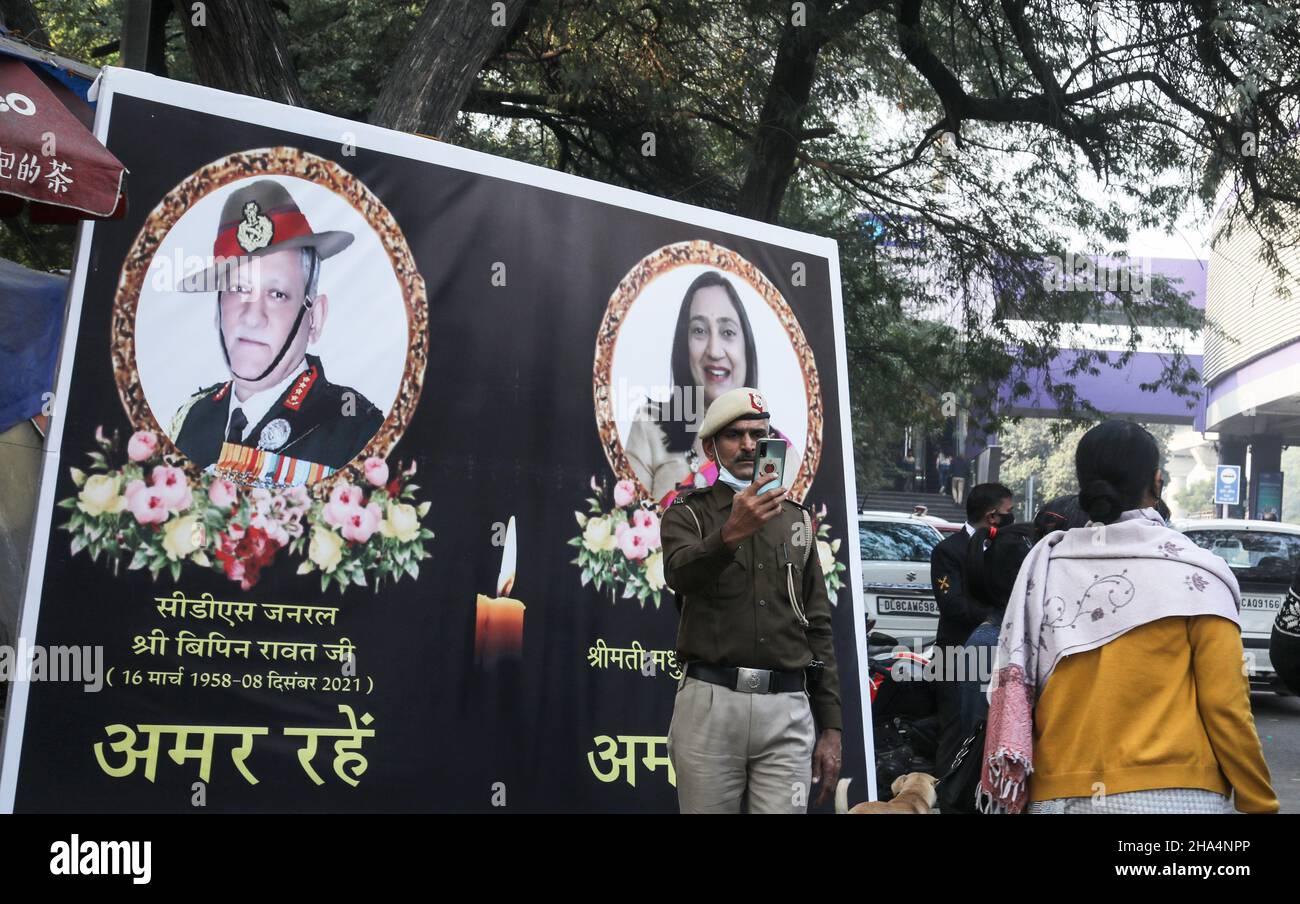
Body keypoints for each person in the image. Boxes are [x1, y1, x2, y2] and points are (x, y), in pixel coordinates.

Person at [980, 419, 1278, 814]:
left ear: (1083, 484)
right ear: (1156, 483)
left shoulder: (1046, 569)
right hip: (1175, 795)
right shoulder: (1196, 575)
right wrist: (1259, 802)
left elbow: (1021, 694)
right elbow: (1225, 706)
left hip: (1058, 796)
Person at [661, 387, 840, 813]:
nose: (747, 445)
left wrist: (831, 725)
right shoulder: (687, 512)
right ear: (710, 447)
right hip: (711, 702)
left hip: (787, 709)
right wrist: (730, 532)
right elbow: (680, 575)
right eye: (734, 435)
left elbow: (817, 622)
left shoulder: (796, 519)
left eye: (757, 435)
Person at [169, 180, 384, 485]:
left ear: (315, 317)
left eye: (277, 294)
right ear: (217, 309)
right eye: (238, 289)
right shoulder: (192, 417)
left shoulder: (355, 429)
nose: (252, 317)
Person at [624, 271, 803, 503]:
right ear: (683, 344)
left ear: (746, 346)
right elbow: (628, 524)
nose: (714, 351)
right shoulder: (649, 426)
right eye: (699, 330)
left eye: (728, 332)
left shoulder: (779, 453)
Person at [930, 482, 1013, 775]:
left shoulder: (1006, 547)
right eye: (1008, 511)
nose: (1010, 517)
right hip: (955, 653)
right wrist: (998, 617)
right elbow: (953, 605)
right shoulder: (948, 551)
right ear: (992, 515)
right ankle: (947, 798)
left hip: (997, 656)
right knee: (955, 732)